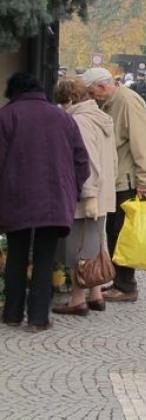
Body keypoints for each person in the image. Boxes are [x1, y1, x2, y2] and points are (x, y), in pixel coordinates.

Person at [0, 72, 90, 332]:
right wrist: (71, 190)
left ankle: (13, 314)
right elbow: (81, 161)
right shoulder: (63, 117)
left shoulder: (6, 116)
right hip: (53, 199)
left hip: (15, 198)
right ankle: (38, 318)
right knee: (44, 257)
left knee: (16, 254)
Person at [81, 67, 146, 303]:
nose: (92, 97)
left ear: (103, 86)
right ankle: (119, 281)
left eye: (93, 92)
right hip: (115, 179)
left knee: (121, 233)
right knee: (113, 232)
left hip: (128, 180)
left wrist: (145, 181)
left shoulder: (127, 102)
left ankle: (126, 285)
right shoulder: (110, 102)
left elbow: (142, 142)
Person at [51, 77, 117, 316]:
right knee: (94, 245)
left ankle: (77, 299)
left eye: (62, 103)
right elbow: (111, 160)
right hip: (104, 192)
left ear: (69, 100)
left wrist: (88, 194)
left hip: (88, 195)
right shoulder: (101, 118)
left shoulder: (79, 120)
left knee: (78, 249)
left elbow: (88, 161)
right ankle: (96, 294)